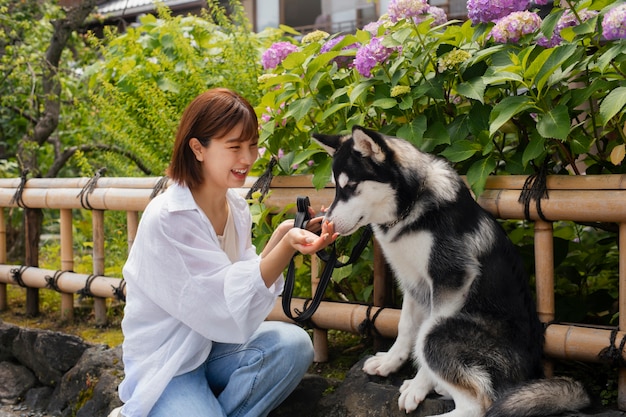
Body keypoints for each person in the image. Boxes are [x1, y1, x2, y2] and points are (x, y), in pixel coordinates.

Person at [112, 87, 337, 417]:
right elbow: (220, 301)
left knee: (292, 346)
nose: (247, 159)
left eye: (252, 145)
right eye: (234, 147)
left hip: (215, 348)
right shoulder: (171, 217)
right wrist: (286, 247)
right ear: (198, 148)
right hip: (169, 364)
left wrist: (285, 233)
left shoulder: (235, 207)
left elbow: (243, 282)